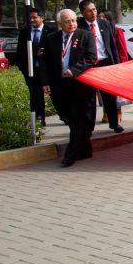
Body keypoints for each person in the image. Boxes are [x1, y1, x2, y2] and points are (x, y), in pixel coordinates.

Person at [40, 9, 98, 167]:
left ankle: (70, 156)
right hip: (59, 86)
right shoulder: (52, 39)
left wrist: (74, 69)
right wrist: (45, 82)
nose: (72, 24)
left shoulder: (85, 36)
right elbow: (44, 62)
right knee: (70, 120)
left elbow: (91, 57)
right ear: (60, 24)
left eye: (73, 20)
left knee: (77, 120)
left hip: (79, 85)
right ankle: (86, 150)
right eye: (67, 21)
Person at [77, 0, 124, 134]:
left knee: (109, 96)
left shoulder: (105, 23)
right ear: (82, 13)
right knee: (89, 98)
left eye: (94, 9)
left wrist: (116, 66)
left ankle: (114, 123)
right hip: (88, 65)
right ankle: (89, 127)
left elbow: (112, 46)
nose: (93, 13)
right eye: (89, 11)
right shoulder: (79, 26)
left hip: (105, 63)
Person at [17, 8, 55, 125]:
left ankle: (65, 115)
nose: (32, 20)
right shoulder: (25, 33)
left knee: (55, 93)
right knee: (36, 95)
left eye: (34, 17)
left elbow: (56, 51)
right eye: (30, 18)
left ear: (42, 18)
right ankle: (40, 118)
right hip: (31, 70)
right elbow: (21, 52)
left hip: (48, 70)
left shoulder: (51, 31)